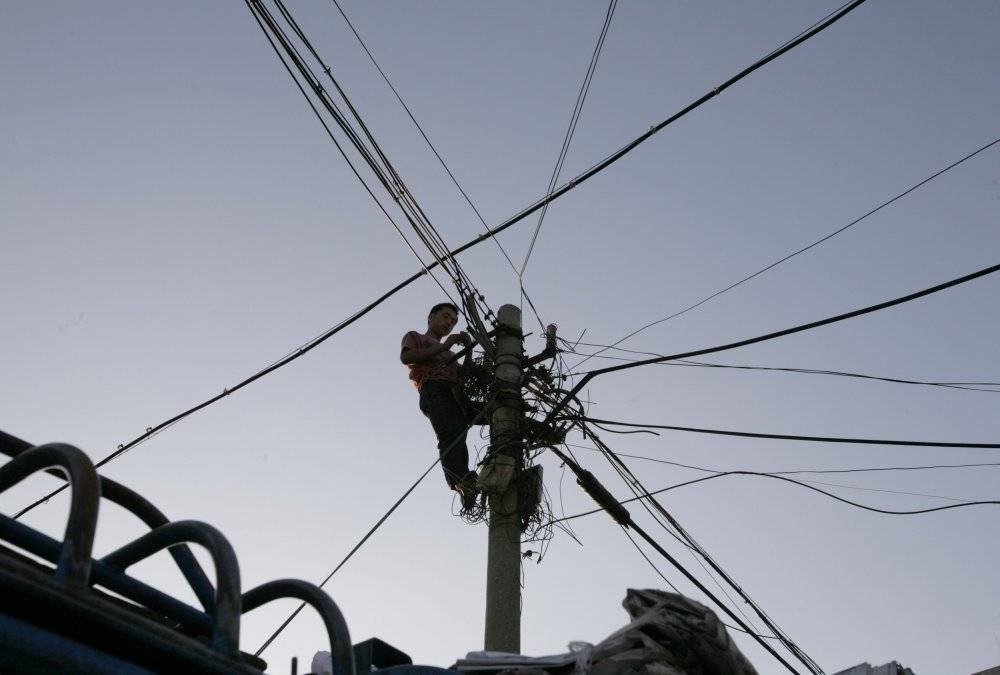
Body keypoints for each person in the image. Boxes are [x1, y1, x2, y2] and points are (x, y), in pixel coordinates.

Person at [400, 302, 479, 508]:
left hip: (455, 396)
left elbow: (464, 377)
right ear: (430, 317)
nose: (449, 323)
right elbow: (406, 357)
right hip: (433, 389)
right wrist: (445, 346)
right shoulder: (416, 337)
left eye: (453, 321)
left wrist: (468, 351)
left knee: (490, 414)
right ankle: (460, 480)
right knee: (452, 430)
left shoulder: (451, 355)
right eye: (445, 316)